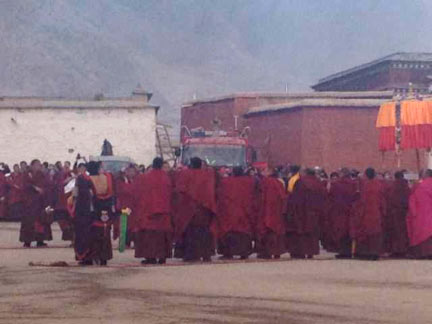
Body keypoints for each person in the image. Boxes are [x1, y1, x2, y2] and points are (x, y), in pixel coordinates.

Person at [173, 157, 216, 262]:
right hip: (204, 208)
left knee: (190, 232)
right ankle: (206, 254)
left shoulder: (185, 174)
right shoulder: (207, 175)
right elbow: (210, 191)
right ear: (200, 165)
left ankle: (190, 254)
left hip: (189, 208)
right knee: (204, 231)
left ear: (191, 164)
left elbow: (180, 190)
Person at [73, 161, 115, 266]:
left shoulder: (84, 179)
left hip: (89, 212)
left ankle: (88, 258)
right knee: (104, 234)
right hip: (105, 210)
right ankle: (103, 258)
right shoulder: (107, 179)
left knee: (89, 235)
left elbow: (78, 196)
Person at [133, 157, 173, 265]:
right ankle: (162, 257)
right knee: (162, 234)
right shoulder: (166, 177)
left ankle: (150, 257)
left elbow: (139, 193)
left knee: (150, 235)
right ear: (161, 165)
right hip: (164, 210)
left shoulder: (146, 177)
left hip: (148, 210)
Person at [216, 166, 256, 259]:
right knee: (243, 231)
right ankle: (244, 253)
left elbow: (220, 195)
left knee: (229, 231)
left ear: (233, 173)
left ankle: (228, 253)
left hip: (229, 211)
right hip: (244, 210)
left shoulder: (226, 182)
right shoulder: (249, 182)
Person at [286, 168, 327, 259]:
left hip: (302, 211)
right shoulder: (319, 183)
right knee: (313, 232)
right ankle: (311, 252)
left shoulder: (301, 182)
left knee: (301, 231)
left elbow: (296, 198)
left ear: (305, 173)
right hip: (316, 211)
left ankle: (301, 252)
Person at [350, 168, 386, 260]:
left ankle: (364, 253)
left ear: (365, 175)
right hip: (376, 212)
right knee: (375, 233)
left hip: (364, 212)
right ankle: (374, 253)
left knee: (364, 232)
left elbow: (358, 199)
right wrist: (383, 211)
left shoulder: (362, 185)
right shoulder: (379, 185)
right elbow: (382, 199)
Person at [322, 168, 358, 258]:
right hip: (351, 210)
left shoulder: (336, 184)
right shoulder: (354, 184)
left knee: (340, 230)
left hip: (339, 211)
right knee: (349, 230)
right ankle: (349, 251)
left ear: (341, 174)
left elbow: (330, 197)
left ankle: (342, 251)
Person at [255, 167, 287, 259]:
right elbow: (283, 197)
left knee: (266, 230)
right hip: (277, 211)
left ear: (270, 172)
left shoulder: (265, 182)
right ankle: (277, 252)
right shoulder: (279, 183)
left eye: (265, 170)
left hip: (266, 210)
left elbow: (259, 196)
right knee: (276, 231)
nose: (262, 172)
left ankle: (267, 252)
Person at [20, 159, 52, 248]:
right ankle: (27, 241)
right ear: (32, 165)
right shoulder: (27, 174)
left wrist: (43, 191)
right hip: (29, 202)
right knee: (28, 222)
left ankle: (40, 241)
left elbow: (47, 184)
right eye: (37, 164)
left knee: (40, 221)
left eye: (39, 165)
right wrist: (34, 187)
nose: (38, 166)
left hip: (40, 202)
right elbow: (24, 185)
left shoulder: (42, 174)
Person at [383, 171, 410, 258]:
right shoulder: (406, 186)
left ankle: (395, 250)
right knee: (403, 231)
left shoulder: (392, 186)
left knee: (395, 232)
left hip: (394, 212)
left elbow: (389, 198)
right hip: (405, 212)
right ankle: (404, 250)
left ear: (395, 177)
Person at [406, 169, 432, 259]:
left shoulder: (418, 186)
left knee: (421, 233)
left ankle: (422, 253)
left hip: (421, 214)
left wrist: (413, 212)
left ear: (424, 176)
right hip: (428, 213)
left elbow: (412, 200)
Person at [115, 164, 138, 246]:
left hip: (134, 207)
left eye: (133, 171)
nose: (132, 173)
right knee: (125, 224)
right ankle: (124, 242)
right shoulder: (121, 181)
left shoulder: (136, 180)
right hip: (125, 206)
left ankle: (134, 241)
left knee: (134, 225)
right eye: (130, 171)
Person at [53, 162, 74, 242]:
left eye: (67, 167)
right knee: (62, 221)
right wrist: (65, 182)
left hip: (70, 202)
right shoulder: (59, 176)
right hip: (61, 203)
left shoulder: (72, 175)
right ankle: (69, 238)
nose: (66, 169)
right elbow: (56, 186)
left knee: (71, 222)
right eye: (64, 167)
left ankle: (73, 239)